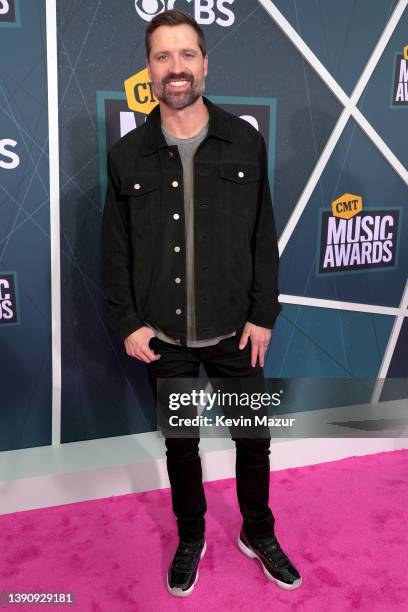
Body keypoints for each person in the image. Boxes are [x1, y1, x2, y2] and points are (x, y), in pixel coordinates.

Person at [101, 8, 302, 597]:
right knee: (181, 447)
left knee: (253, 442)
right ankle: (192, 535)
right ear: (149, 70)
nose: (176, 68)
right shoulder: (127, 155)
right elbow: (114, 251)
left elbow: (263, 234)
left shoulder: (244, 140)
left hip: (237, 332)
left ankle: (258, 532)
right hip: (164, 337)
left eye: (187, 54)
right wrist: (128, 324)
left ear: (205, 63)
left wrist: (264, 312)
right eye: (163, 56)